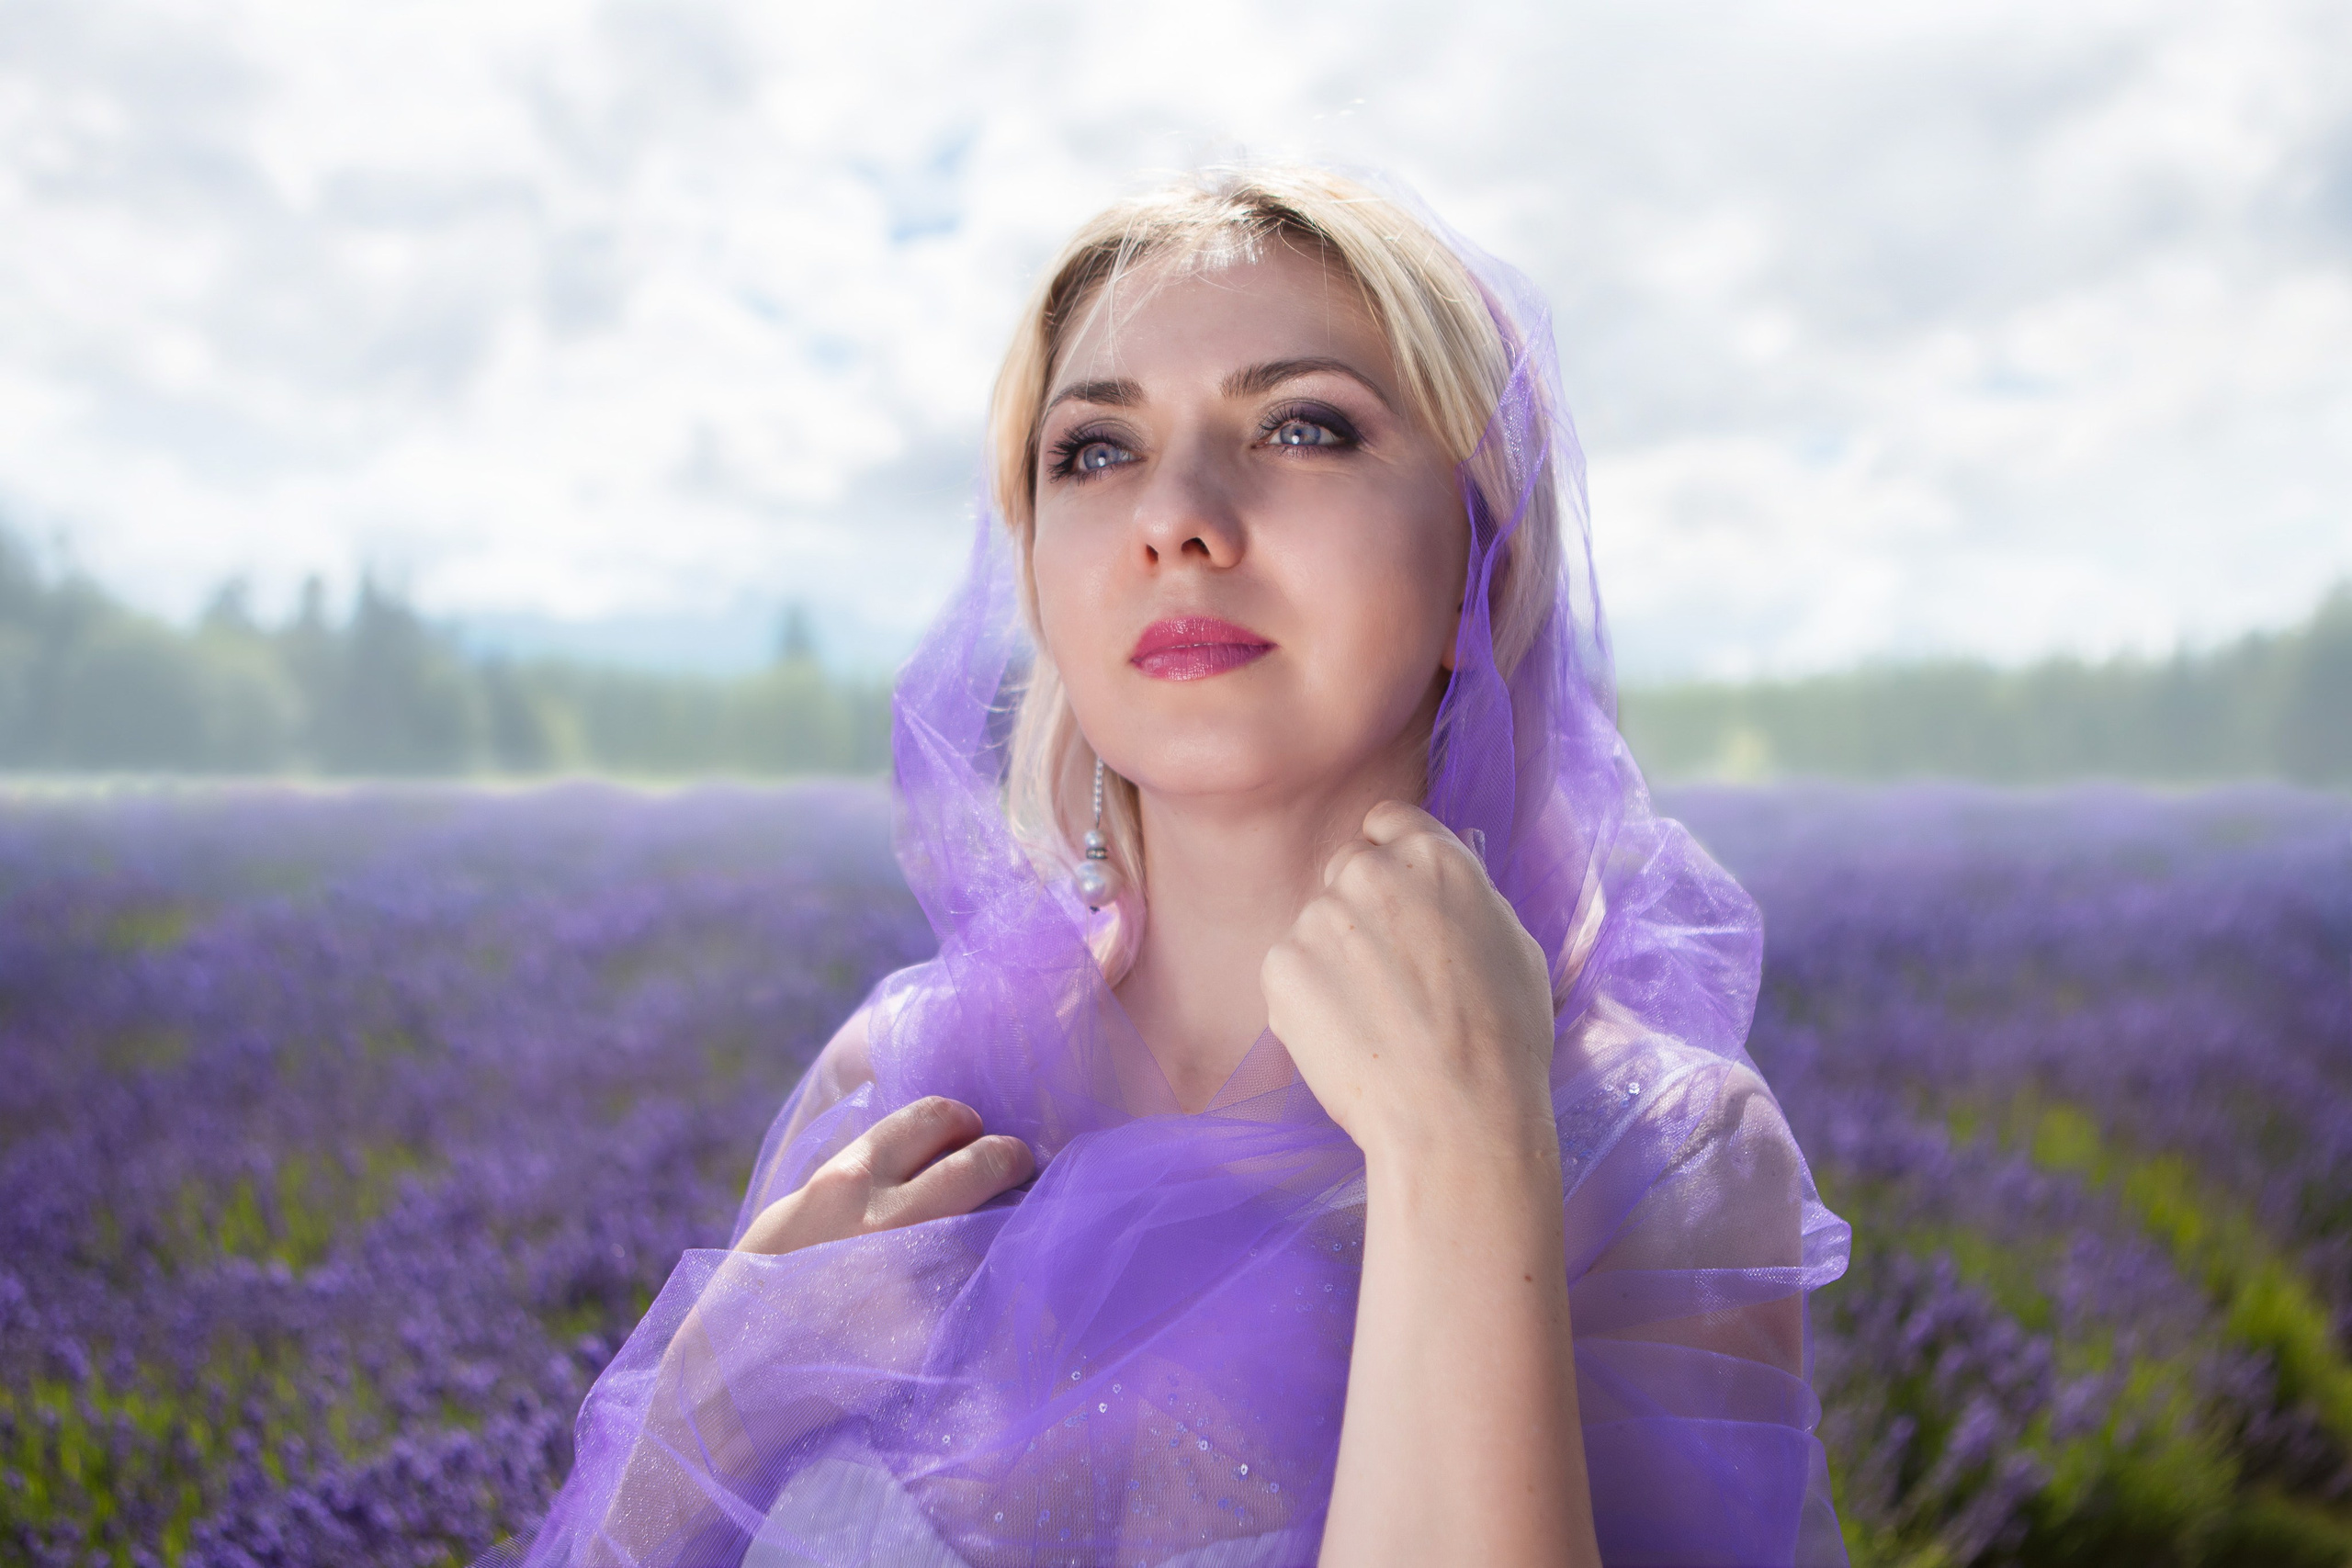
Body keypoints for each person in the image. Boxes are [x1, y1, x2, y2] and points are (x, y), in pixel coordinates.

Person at [483, 164, 1850, 1568]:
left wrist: (1465, 1147)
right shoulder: (899, 1079)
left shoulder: (1658, 1153)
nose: (1177, 516)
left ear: (1477, 570)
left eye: (1303, 427)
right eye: (1093, 450)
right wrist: (704, 1414)